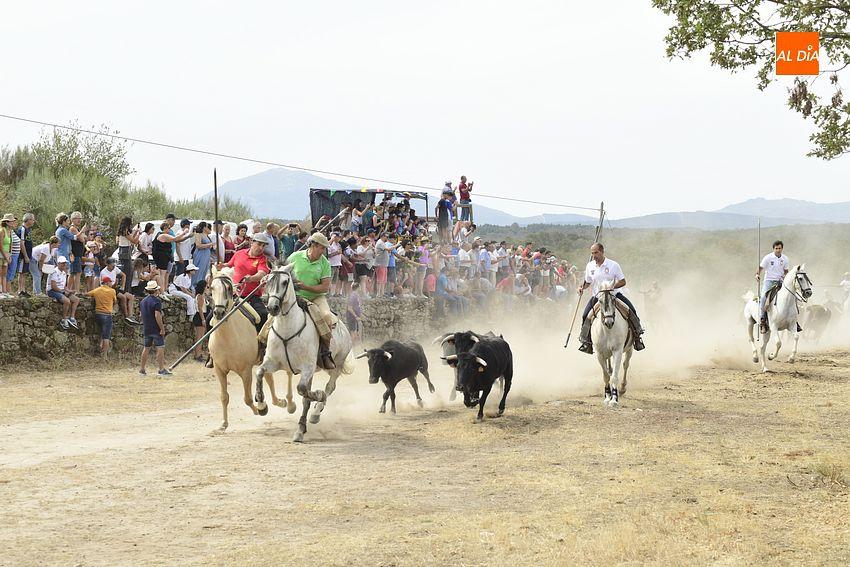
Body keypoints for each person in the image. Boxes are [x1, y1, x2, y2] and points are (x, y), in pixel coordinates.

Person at [577, 242, 645, 354]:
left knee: (631, 310)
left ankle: (637, 338)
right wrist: (581, 288)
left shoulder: (613, 265)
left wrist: (611, 287)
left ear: (602, 252)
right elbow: (588, 282)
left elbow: (623, 281)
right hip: (597, 297)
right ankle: (587, 343)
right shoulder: (590, 266)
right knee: (585, 316)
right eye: (592, 253)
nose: (594, 256)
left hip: (614, 295)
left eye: (596, 253)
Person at [287, 232, 336, 369]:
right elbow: (282, 271)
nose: (323, 251)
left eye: (324, 248)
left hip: (316, 297)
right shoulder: (295, 257)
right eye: (321, 248)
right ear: (312, 245)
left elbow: (324, 287)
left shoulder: (324, 263)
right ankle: (264, 345)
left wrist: (306, 286)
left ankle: (325, 352)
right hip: (294, 296)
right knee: (273, 315)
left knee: (326, 316)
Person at [226, 232, 270, 334]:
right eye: (259, 244)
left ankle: (260, 342)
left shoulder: (263, 259)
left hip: (251, 296)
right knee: (211, 316)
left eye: (263, 246)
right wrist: (220, 266)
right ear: (251, 242)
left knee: (263, 315)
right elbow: (229, 265)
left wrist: (251, 278)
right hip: (232, 294)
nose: (261, 248)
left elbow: (261, 274)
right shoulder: (239, 253)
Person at [139, 280, 171, 376]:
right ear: (156, 290)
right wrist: (162, 328)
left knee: (146, 348)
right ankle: (161, 369)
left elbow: (141, 314)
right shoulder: (157, 301)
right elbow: (157, 315)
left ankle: (142, 368)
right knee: (160, 348)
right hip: (155, 328)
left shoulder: (143, 301)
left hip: (147, 327)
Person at [757, 240, 790, 333]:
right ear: (773, 249)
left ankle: (793, 319)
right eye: (776, 248)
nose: (778, 250)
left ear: (782, 248)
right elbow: (760, 268)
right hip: (769, 281)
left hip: (780, 281)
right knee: (763, 297)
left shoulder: (785, 259)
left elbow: (786, 271)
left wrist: (786, 277)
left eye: (779, 248)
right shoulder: (768, 257)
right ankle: (762, 320)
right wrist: (757, 274)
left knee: (790, 295)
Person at [100, 256, 140, 324]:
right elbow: (108, 285)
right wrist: (115, 283)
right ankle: (126, 315)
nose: (113, 267)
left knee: (131, 297)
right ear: (108, 265)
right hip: (108, 288)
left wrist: (123, 286)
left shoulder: (115, 269)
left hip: (115, 287)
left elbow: (123, 275)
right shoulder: (104, 272)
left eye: (114, 266)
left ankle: (130, 315)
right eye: (112, 266)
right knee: (123, 297)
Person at [86, 274, 117, 357]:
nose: (111, 284)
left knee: (101, 333)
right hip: (107, 315)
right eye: (110, 282)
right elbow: (115, 301)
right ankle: (104, 355)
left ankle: (100, 347)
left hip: (98, 314)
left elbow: (87, 294)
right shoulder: (112, 291)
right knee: (106, 336)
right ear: (107, 283)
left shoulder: (97, 290)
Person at [47, 256, 80, 330]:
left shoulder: (64, 273)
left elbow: (63, 285)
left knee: (76, 300)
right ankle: (64, 319)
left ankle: (72, 317)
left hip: (60, 290)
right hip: (52, 291)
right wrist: (62, 291)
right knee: (67, 301)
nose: (64, 265)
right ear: (58, 263)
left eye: (65, 263)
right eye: (62, 263)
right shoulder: (54, 272)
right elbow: (53, 286)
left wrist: (69, 291)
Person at [15, 213, 34, 297]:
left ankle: (23, 290)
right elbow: (21, 243)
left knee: (24, 272)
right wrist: (25, 255)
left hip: (28, 254)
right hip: (22, 255)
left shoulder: (29, 229)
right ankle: (20, 291)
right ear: (28, 220)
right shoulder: (22, 229)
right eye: (32, 219)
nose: (33, 221)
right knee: (21, 272)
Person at [192, 280, 210, 361]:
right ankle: (197, 355)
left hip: (200, 316)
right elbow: (200, 308)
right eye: (207, 287)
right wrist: (203, 320)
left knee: (199, 337)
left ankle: (198, 354)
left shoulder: (202, 295)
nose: (207, 288)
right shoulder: (200, 296)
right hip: (200, 316)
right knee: (200, 337)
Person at [191, 222, 214, 287]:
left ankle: (201, 285)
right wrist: (209, 244)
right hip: (200, 254)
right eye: (207, 227)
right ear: (204, 227)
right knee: (199, 270)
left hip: (206, 254)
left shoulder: (206, 235)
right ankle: (194, 285)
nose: (208, 228)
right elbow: (198, 245)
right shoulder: (198, 234)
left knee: (204, 270)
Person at [346, 281, 362, 346]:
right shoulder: (353, 295)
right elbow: (349, 308)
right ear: (357, 287)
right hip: (352, 318)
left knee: (357, 334)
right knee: (354, 335)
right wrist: (356, 316)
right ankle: (352, 349)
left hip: (355, 318)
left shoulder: (356, 295)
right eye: (360, 286)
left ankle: (356, 348)